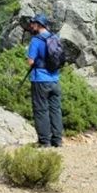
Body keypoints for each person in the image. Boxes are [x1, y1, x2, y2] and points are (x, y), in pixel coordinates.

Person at [25, 14, 63, 147]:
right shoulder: (55, 37)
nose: (31, 26)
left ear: (38, 25)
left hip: (40, 80)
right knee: (55, 109)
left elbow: (30, 62)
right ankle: (57, 140)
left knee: (41, 110)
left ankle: (44, 141)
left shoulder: (36, 40)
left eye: (33, 24)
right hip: (55, 79)